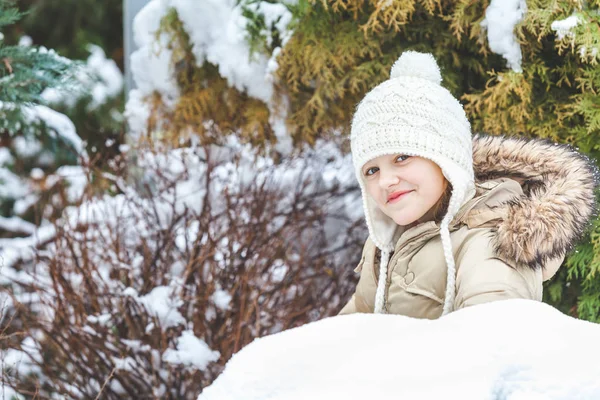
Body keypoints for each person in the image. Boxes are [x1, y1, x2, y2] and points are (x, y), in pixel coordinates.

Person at [339, 51, 598, 318]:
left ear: (445, 160)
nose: (385, 180)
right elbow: (352, 323)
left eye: (402, 157)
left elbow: (491, 338)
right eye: (372, 170)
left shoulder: (487, 243)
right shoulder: (385, 239)